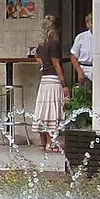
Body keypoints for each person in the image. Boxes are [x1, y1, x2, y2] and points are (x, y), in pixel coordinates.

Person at [31, 17, 69, 152]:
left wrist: (42, 65)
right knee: (53, 112)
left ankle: (43, 143)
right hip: (53, 80)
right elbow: (57, 65)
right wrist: (64, 84)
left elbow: (36, 55)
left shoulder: (41, 44)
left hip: (44, 80)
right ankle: (51, 143)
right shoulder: (54, 44)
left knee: (43, 111)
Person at [70, 10, 96, 84]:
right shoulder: (81, 37)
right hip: (85, 69)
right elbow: (73, 56)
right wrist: (79, 72)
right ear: (87, 24)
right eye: (91, 23)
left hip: (99, 69)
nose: (93, 25)